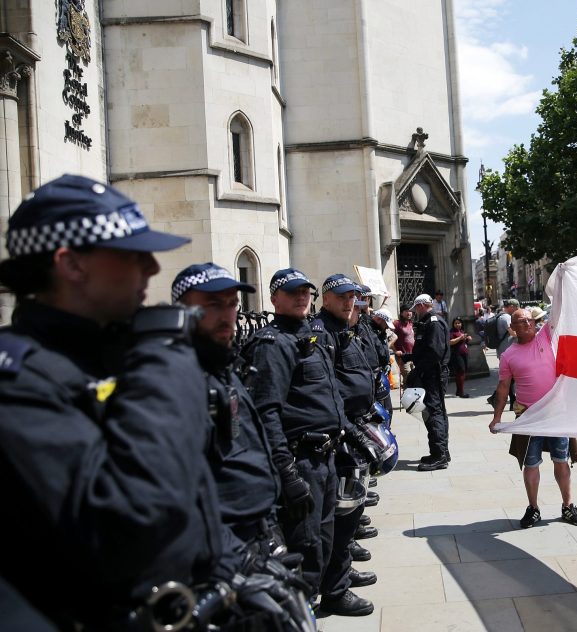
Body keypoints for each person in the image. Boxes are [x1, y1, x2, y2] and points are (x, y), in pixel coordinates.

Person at [0, 175, 226, 628]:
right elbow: (131, 515)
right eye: (132, 254)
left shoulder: (115, 348)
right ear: (71, 265)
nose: (153, 269)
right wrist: (166, 355)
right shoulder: (17, 378)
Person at [242, 268, 376, 617]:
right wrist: (287, 473)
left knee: (328, 536)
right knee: (305, 543)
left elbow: (329, 398)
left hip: (327, 456)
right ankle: (298, 613)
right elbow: (266, 413)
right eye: (292, 292)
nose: (302, 297)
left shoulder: (310, 337)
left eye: (305, 291)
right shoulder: (273, 344)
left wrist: (354, 434)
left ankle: (330, 594)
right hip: (301, 458)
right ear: (274, 299)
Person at [171, 263, 282, 553]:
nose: (226, 315)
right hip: (224, 548)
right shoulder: (177, 379)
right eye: (213, 304)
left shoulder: (223, 367)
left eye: (232, 304)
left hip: (257, 531)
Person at [314, 273, 385, 615]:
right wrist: (352, 432)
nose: (349, 302)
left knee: (351, 510)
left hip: (356, 428)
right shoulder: (323, 333)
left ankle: (341, 574)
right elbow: (329, 392)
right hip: (341, 436)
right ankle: (335, 590)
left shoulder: (346, 329)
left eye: (353, 296)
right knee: (341, 518)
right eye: (342, 296)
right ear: (326, 299)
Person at [489, 308, 577, 529]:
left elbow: (559, 308)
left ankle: (568, 506)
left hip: (556, 414)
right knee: (530, 464)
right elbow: (503, 388)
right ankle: (533, 508)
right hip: (529, 417)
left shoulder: (546, 336)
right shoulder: (509, 356)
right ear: (513, 328)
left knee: (561, 460)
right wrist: (497, 418)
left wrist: (563, 274)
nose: (529, 323)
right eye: (522, 321)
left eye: (530, 320)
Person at [410, 293, 452, 471]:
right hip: (430, 373)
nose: (414, 313)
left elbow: (434, 352)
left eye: (416, 309)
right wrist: (409, 357)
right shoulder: (428, 321)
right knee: (437, 412)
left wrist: (417, 369)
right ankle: (441, 451)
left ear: (421, 306)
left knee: (434, 412)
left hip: (433, 374)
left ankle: (439, 455)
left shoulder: (433, 322)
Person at [393, 304, 415, 388]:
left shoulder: (411, 323)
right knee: (408, 379)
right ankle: (406, 399)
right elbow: (389, 338)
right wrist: (395, 351)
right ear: (401, 313)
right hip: (403, 357)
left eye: (410, 311)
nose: (409, 313)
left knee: (414, 379)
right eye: (406, 311)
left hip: (413, 355)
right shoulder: (397, 324)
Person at [448, 317, 471, 398]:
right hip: (457, 355)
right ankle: (461, 392)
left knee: (462, 372)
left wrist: (467, 339)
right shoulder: (451, 332)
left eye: (459, 323)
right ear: (453, 324)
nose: (457, 325)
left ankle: (458, 391)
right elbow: (450, 342)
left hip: (464, 354)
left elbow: (463, 342)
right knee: (460, 372)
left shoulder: (462, 331)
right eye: (456, 323)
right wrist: (460, 338)